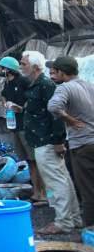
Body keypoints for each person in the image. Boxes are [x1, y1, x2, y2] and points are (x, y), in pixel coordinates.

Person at [18, 51, 82, 234]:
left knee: (56, 182)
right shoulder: (37, 85)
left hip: (46, 140)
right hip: (42, 140)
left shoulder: (45, 85)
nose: (21, 67)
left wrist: (57, 141)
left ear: (35, 67)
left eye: (23, 64)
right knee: (63, 179)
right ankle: (74, 218)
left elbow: (56, 115)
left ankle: (64, 222)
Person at [48, 55, 94, 227]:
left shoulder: (65, 88)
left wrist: (69, 119)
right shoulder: (90, 85)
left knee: (88, 190)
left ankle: (90, 231)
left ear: (62, 72)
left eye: (55, 71)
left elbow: (53, 106)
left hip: (82, 145)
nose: (53, 74)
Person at [0, 55, 46, 203]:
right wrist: (5, 103)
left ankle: (44, 194)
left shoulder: (24, 81)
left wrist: (21, 107)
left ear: (8, 69)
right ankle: (36, 192)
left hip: (28, 127)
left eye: (1, 67)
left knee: (36, 160)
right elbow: (4, 97)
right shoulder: (7, 84)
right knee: (29, 161)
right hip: (16, 126)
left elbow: (34, 100)